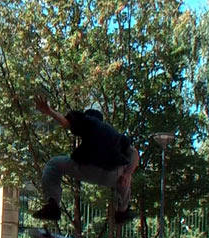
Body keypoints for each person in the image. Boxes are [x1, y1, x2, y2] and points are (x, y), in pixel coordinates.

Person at [33, 96, 139, 224]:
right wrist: (128, 174)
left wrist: (49, 111)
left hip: (87, 168)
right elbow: (134, 153)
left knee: (53, 164)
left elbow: (67, 123)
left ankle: (52, 206)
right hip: (111, 176)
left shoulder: (87, 121)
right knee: (125, 175)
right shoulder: (115, 134)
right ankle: (122, 212)